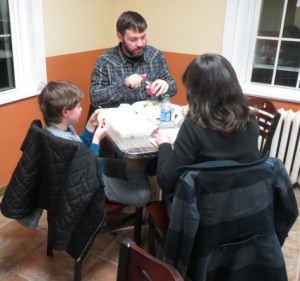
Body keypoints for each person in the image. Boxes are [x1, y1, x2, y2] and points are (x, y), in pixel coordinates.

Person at [152, 53, 260, 201]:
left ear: (195, 92)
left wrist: (164, 144)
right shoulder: (250, 120)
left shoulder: (193, 127)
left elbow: (165, 182)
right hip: (244, 203)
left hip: (202, 214)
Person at [38, 80, 151, 207]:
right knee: (143, 195)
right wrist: (97, 139)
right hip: (86, 184)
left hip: (81, 173)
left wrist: (90, 127)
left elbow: (80, 151)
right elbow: (88, 171)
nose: (81, 109)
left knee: (124, 166)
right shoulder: (61, 143)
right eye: (78, 106)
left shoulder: (58, 128)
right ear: (65, 112)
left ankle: (136, 173)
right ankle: (140, 177)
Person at [89, 11, 177, 109]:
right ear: (120, 37)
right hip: (120, 120)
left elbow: (173, 87)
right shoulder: (105, 61)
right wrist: (124, 85)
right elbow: (95, 98)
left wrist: (166, 85)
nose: (140, 44)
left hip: (151, 117)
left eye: (143, 37)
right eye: (133, 39)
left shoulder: (156, 55)